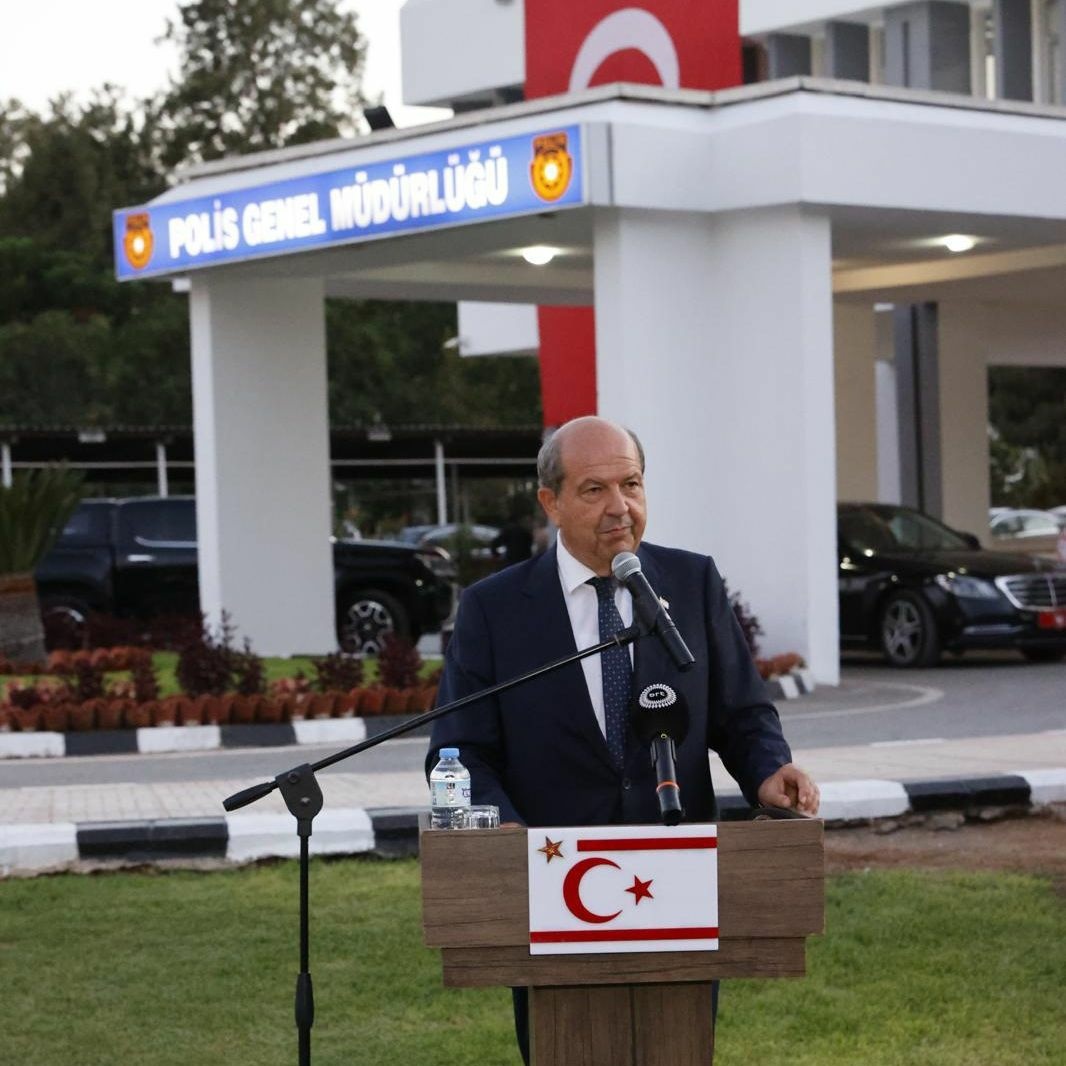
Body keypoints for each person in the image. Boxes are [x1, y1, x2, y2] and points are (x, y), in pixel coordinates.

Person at [427, 415, 819, 1062]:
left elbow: (742, 713)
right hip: (550, 888)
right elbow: (461, 749)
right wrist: (499, 828)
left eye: (631, 484)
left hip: (675, 886)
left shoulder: (690, 583)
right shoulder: (494, 609)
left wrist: (768, 770)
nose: (620, 507)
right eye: (594, 490)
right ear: (550, 502)